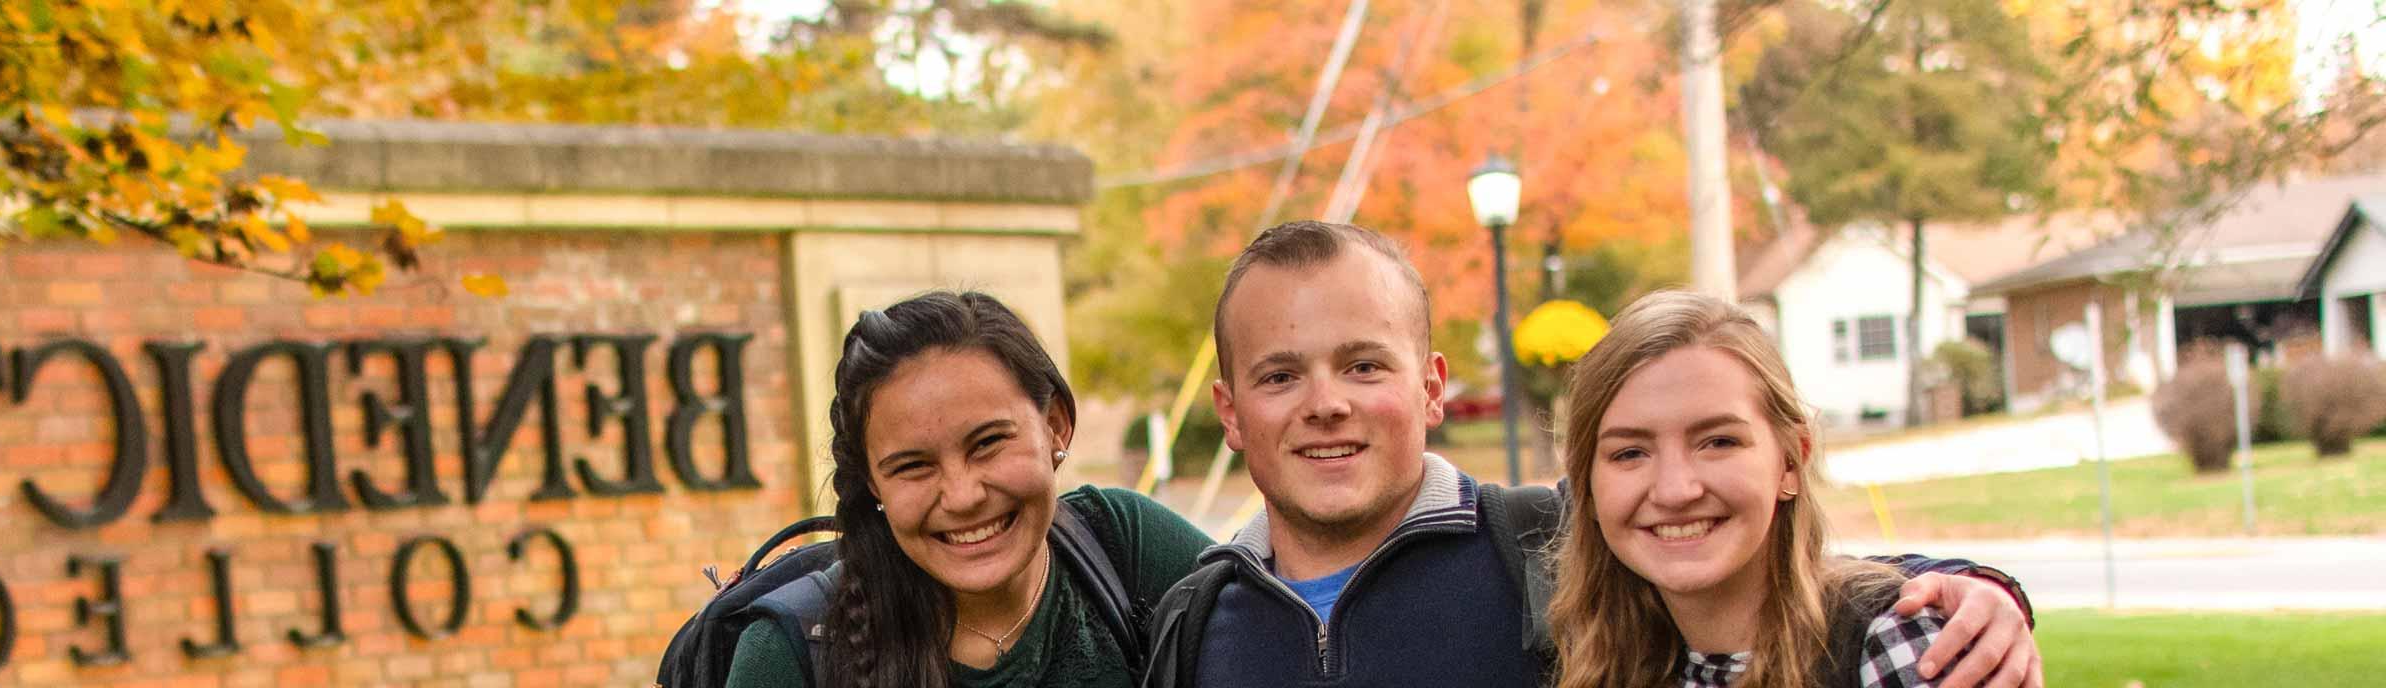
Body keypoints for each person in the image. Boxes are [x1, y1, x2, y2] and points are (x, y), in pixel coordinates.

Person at [1141, 222, 2041, 688]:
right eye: (1280, 375)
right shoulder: (1194, 623)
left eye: (1365, 364)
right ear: (1229, 410)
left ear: (1431, 386)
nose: (1326, 402)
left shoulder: (1547, 546)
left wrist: (1965, 590)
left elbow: (1755, 562)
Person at [724, 291, 1218, 688]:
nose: (962, 496)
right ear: (873, 482)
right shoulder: (791, 653)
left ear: (1055, 426)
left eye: (987, 444)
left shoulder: (1126, 546)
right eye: (913, 467)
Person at [1551, 290, 1982, 687]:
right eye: (1629, 453)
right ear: (1587, 486)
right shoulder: (1598, 660)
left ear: (1791, 461)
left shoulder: (1894, 644)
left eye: (1719, 442)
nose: (1675, 490)